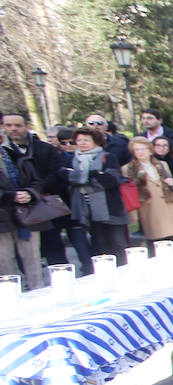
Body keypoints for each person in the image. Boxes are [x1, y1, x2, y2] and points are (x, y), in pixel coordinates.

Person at [2, 112, 63, 289]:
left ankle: (37, 291)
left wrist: (29, 193)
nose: (12, 129)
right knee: (5, 260)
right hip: (3, 217)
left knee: (33, 258)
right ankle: (10, 295)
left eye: (17, 125)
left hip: (27, 214)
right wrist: (10, 196)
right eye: (8, 126)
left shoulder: (14, 155)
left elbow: (35, 180)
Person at [61, 127, 130, 262]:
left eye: (86, 140)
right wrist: (94, 175)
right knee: (100, 245)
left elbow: (111, 180)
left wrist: (80, 178)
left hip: (111, 208)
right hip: (87, 210)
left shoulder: (108, 157)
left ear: (96, 141)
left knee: (118, 244)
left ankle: (123, 269)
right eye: (79, 140)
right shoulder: (72, 160)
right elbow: (64, 175)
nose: (82, 143)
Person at [40, 128, 94, 275]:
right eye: (64, 143)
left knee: (79, 239)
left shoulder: (84, 157)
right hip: (58, 203)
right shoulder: (56, 157)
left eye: (72, 142)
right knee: (55, 241)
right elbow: (57, 175)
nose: (68, 145)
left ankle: (88, 268)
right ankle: (61, 272)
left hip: (76, 204)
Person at [123, 136, 173, 244]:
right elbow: (129, 193)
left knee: (172, 239)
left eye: (143, 149)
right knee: (155, 240)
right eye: (137, 149)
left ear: (150, 150)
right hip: (148, 206)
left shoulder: (162, 164)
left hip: (167, 205)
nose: (140, 152)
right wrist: (133, 216)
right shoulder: (128, 169)